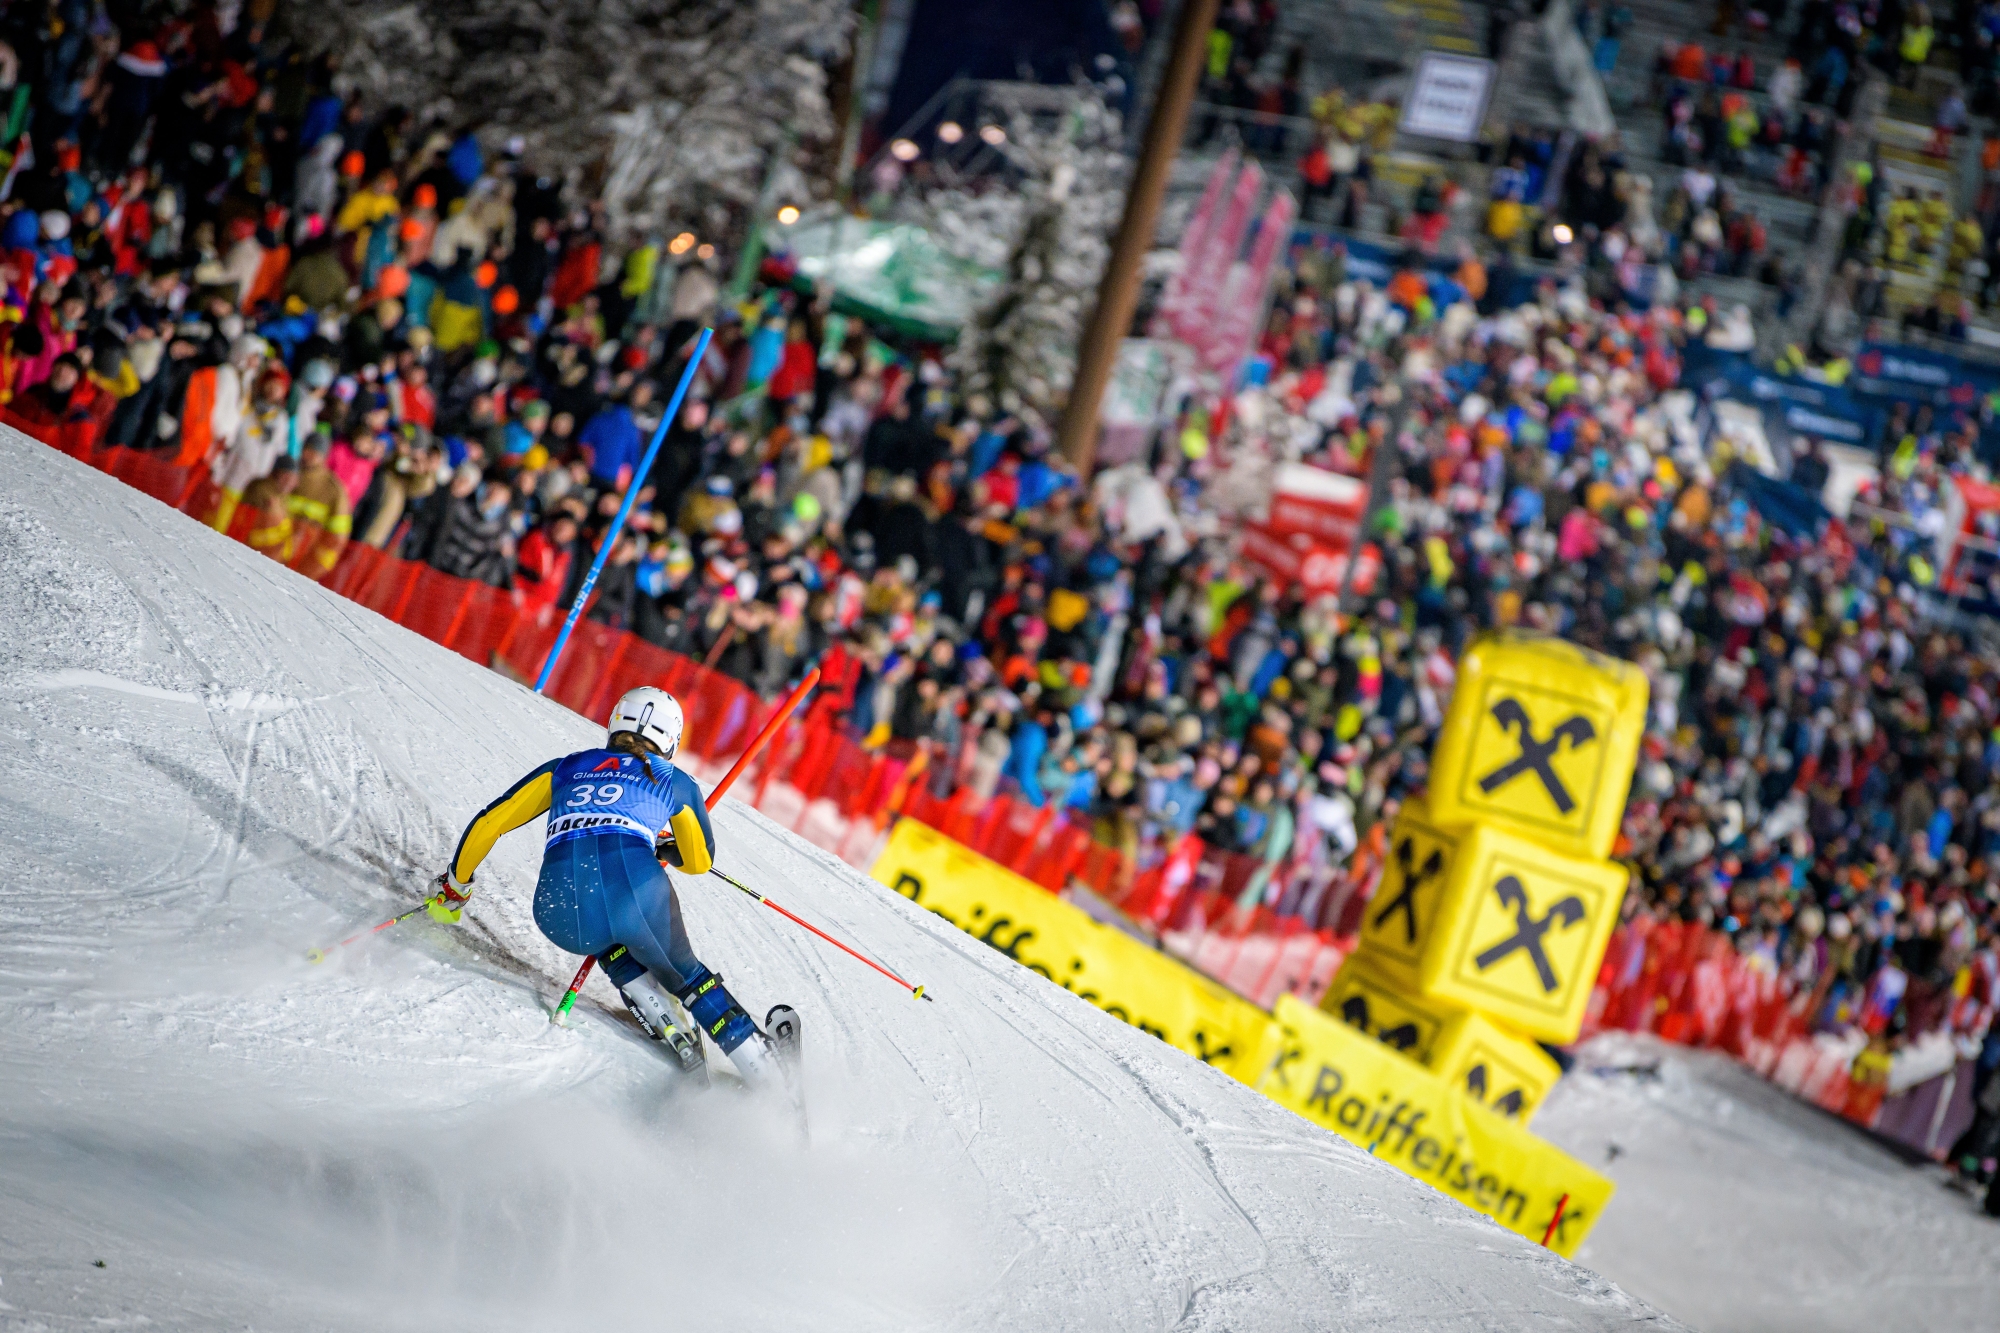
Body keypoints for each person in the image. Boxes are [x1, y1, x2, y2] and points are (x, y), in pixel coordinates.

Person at [429, 688, 784, 1087]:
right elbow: (699, 862)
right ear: (671, 740)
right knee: (687, 976)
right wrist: (663, 846)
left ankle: (660, 1013)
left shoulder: (565, 767)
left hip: (557, 911)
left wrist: (456, 888)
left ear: (616, 721)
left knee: (602, 925)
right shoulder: (673, 780)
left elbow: (489, 822)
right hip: (636, 893)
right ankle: (766, 1071)